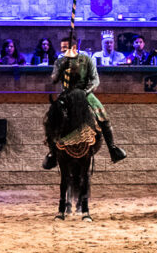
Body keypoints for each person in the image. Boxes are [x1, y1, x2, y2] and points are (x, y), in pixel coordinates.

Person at [43, 34, 127, 169]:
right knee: (50, 118)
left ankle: (113, 148)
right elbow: (53, 79)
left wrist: (86, 92)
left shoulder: (86, 60)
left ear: (74, 47)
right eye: (62, 48)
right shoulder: (60, 60)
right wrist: (61, 67)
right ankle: (52, 152)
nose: (63, 51)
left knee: (103, 115)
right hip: (66, 94)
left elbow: (95, 80)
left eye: (66, 48)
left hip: (84, 93)